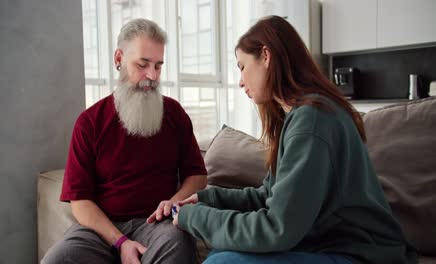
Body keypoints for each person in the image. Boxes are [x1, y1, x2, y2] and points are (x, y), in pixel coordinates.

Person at [172, 16, 418, 264]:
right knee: (221, 254)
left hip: (361, 255)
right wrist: (207, 199)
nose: (240, 81)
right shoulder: (301, 116)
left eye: (242, 66)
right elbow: (268, 196)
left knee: (221, 263)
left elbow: (276, 229)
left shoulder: (312, 121)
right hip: (327, 246)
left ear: (266, 56)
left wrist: (193, 217)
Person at [42, 18, 207, 264]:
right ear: (119, 59)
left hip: (157, 225)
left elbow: (197, 176)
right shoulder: (89, 122)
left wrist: (172, 204)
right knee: (57, 260)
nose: (151, 75)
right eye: (142, 65)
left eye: (158, 66)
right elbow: (80, 201)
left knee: (178, 244)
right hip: (100, 230)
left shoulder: (175, 114)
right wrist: (120, 242)